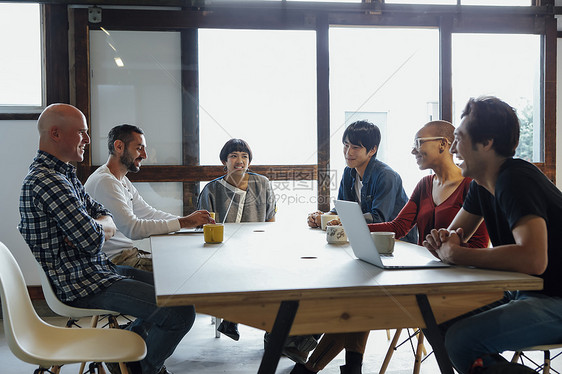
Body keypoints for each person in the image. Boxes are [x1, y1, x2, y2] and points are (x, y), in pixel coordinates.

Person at [292, 121, 489, 374]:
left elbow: (479, 244)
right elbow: (398, 226)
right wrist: (351, 228)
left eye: (418, 143)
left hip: (457, 280)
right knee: (361, 293)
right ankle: (325, 368)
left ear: (444, 144)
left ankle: (310, 367)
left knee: (364, 296)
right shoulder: (424, 185)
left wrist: (351, 228)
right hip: (424, 272)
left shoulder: (472, 186)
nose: (413, 151)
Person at [18, 103, 194, 374]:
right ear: (55, 133)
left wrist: (99, 225)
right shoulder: (47, 181)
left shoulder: (64, 174)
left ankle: (126, 358)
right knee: (181, 312)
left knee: (178, 293)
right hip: (83, 284)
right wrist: (98, 228)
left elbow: (101, 215)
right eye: (82, 133)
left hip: (98, 271)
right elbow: (91, 239)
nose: (88, 140)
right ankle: (143, 369)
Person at [423, 96, 562, 374]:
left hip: (555, 299)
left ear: (486, 142)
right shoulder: (480, 186)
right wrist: (442, 242)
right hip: (527, 293)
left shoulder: (515, 178)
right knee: (435, 313)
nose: (452, 148)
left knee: (462, 342)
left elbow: (534, 259)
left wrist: (459, 253)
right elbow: (452, 238)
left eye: (459, 138)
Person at [84, 124, 214, 271]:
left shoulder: (121, 180)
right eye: (139, 148)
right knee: (184, 269)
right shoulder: (105, 181)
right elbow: (133, 228)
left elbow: (149, 213)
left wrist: (188, 223)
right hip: (115, 262)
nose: (145, 155)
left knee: (184, 262)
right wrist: (184, 222)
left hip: (128, 256)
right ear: (119, 147)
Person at [197, 138, 276, 341]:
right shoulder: (211, 190)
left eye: (244, 156)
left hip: (257, 247)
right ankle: (235, 319)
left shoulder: (263, 184)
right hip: (223, 251)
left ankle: (264, 328)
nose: (239, 160)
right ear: (225, 161)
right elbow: (205, 226)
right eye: (233, 156)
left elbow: (270, 219)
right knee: (236, 268)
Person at [307, 120, 417, 244]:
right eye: (346, 145)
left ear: (372, 150)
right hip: (366, 240)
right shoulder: (349, 172)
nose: (348, 152)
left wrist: (338, 220)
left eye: (355, 147)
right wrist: (323, 217)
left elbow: (378, 219)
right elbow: (342, 210)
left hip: (398, 242)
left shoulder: (386, 176)